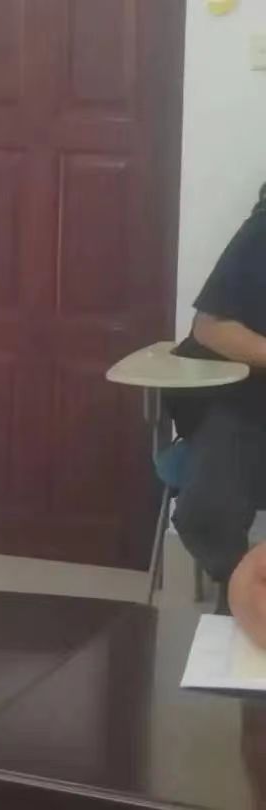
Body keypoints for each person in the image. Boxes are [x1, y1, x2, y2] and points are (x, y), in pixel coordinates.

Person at [171, 183, 266, 612]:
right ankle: (240, 585)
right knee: (209, 505)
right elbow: (210, 327)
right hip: (243, 392)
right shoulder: (260, 234)